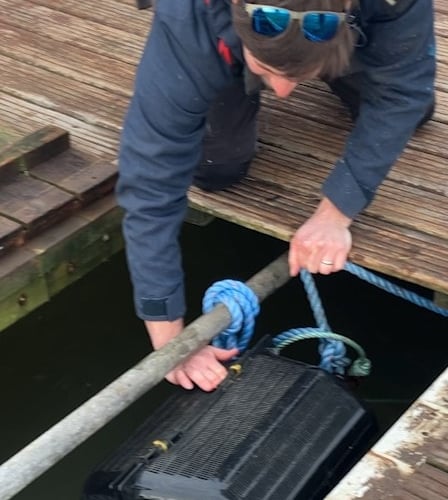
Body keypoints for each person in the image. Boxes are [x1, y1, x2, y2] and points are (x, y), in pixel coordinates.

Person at [116, 0, 436, 392]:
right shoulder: (190, 15)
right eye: (270, 72)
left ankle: (312, 64)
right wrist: (170, 342)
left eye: (294, 79)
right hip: (225, 41)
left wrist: (335, 212)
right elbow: (151, 180)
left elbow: (404, 92)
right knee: (218, 168)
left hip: (347, 39)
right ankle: (264, 68)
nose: (283, 94)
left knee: (414, 107)